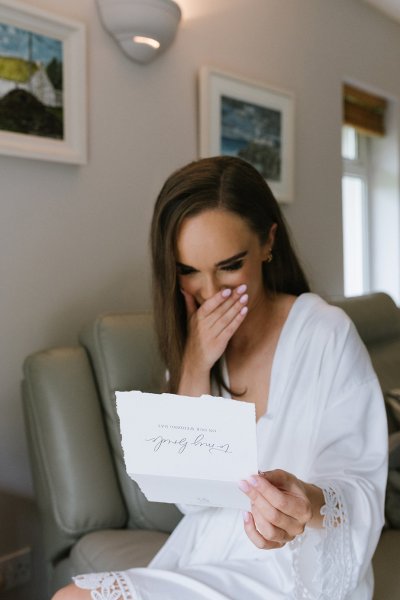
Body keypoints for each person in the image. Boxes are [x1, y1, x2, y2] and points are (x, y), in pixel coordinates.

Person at [53, 156, 387, 600]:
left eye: (229, 266)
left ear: (268, 241)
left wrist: (303, 501)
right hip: (207, 553)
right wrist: (194, 364)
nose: (209, 293)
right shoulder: (193, 346)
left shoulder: (325, 333)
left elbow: (362, 486)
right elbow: (192, 500)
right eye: (189, 271)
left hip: (296, 564)